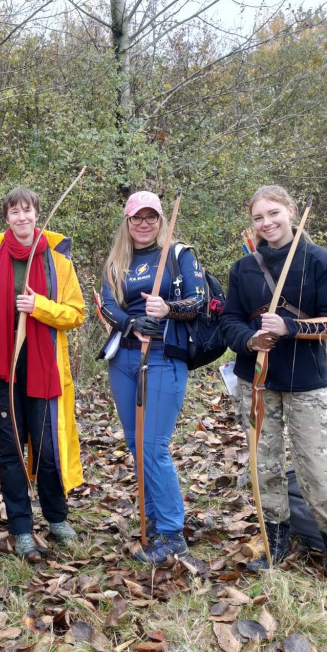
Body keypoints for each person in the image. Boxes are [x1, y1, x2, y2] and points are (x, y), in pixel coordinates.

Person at [220, 185, 327, 590]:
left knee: (317, 469)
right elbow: (229, 321)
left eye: (274, 213)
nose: (267, 223)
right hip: (257, 384)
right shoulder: (244, 268)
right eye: (259, 217)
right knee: (264, 468)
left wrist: (290, 327)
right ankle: (275, 543)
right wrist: (249, 339)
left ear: (291, 212)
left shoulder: (318, 261)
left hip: (305, 385)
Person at [0, 186, 86, 561]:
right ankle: (20, 527)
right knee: (12, 451)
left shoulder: (58, 260)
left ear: (37, 214)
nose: (21, 217)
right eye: (14, 212)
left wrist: (40, 306)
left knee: (47, 448)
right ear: (6, 218)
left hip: (44, 368)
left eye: (28, 211)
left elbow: (76, 314)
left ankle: (56, 517)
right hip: (1, 370)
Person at [99, 190, 204, 563]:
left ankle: (173, 533)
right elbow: (107, 305)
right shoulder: (116, 261)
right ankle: (157, 521)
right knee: (134, 443)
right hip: (124, 359)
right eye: (136, 218)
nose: (144, 224)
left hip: (163, 357)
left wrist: (168, 308)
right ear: (126, 223)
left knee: (153, 445)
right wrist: (131, 321)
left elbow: (199, 300)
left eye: (151, 217)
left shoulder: (178, 255)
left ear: (161, 221)